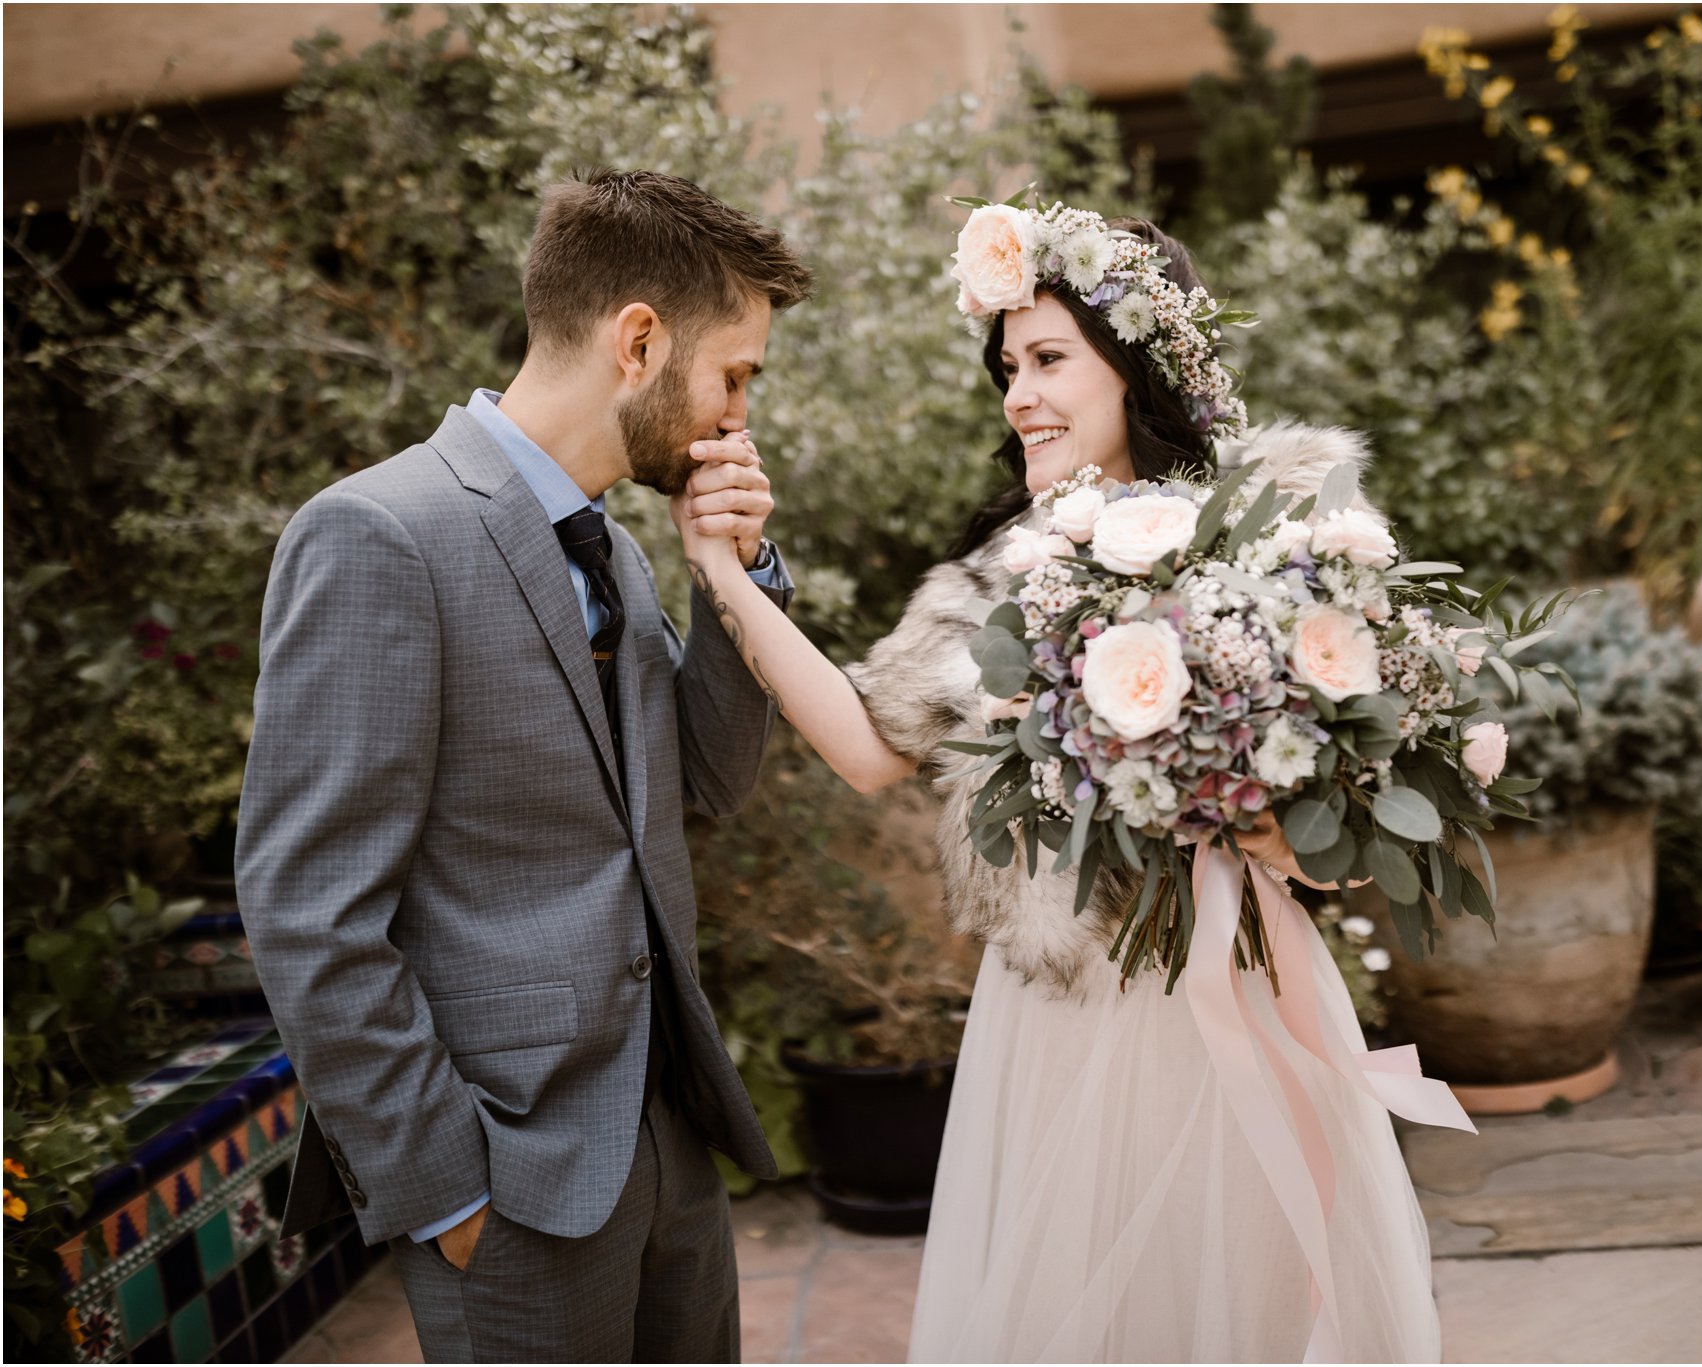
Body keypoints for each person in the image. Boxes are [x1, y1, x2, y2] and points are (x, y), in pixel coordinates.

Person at [675, 205, 1465, 1362]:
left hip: (1237, 988)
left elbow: (1342, 805)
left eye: (1047, 358)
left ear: (1133, 364)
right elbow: (863, 740)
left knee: (1247, 1300)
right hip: (1060, 1010)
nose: (1017, 395)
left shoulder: (1277, 547)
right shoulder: (1007, 571)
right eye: (1006, 367)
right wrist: (723, 573)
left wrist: (1263, 807)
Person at [236, 168, 810, 1363]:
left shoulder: (622, 551)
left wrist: (732, 580)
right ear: (638, 340)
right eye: (734, 374)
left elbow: (705, 777)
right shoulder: (378, 534)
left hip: (670, 1140)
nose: (737, 415)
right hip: (508, 1178)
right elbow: (308, 909)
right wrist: (447, 1193)